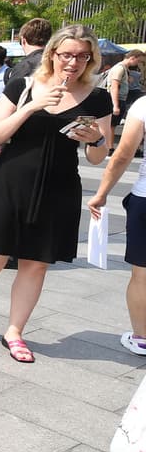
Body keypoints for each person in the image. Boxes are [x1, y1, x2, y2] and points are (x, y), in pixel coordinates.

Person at [0, 25, 112, 363]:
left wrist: (96, 140)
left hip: (58, 188)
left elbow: (99, 156)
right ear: (53, 54)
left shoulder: (98, 96)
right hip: (10, 182)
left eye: (82, 56)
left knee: (35, 265)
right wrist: (31, 107)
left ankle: (14, 331)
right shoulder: (23, 85)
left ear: (91, 59)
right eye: (67, 55)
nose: (73, 63)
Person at [88, 93, 146, 356]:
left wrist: (102, 193)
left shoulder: (144, 105)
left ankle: (142, 338)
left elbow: (123, 154)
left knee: (142, 273)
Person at [105, 49, 144, 128]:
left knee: (112, 126)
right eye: (138, 60)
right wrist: (115, 105)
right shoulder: (120, 68)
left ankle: (108, 140)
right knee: (111, 126)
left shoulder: (125, 69)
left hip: (120, 99)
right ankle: (108, 141)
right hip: (116, 99)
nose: (138, 63)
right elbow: (114, 86)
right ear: (132, 58)